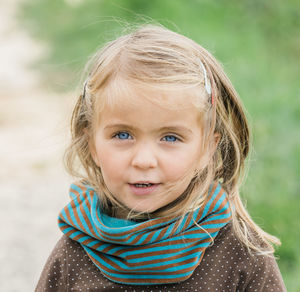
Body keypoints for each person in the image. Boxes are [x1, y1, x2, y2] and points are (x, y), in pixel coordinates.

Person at [35, 24, 286, 291]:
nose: (143, 160)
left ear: (206, 150)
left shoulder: (238, 251)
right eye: (122, 135)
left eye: (170, 138)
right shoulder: (77, 249)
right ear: (92, 144)